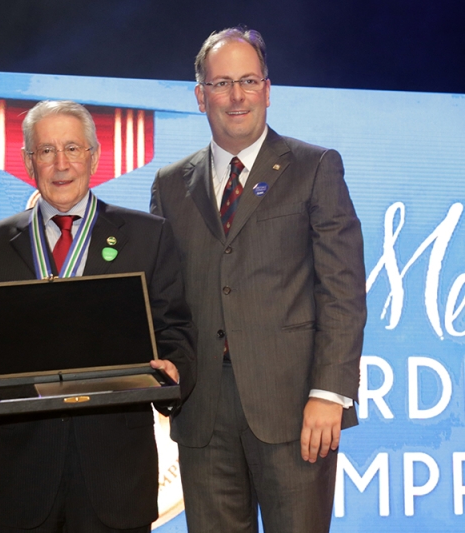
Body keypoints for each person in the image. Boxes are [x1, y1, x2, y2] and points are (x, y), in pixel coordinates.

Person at [0, 100, 196, 533]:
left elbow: (176, 330)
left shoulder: (149, 236)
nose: (61, 164)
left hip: (113, 478)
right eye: (46, 151)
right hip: (19, 477)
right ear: (27, 161)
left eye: (73, 149)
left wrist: (174, 369)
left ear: (93, 156)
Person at [150, 27, 366, 533]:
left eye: (248, 80)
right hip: (202, 411)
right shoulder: (168, 184)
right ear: (200, 95)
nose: (237, 95)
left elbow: (343, 290)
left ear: (268, 90)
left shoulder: (315, 168)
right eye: (221, 83)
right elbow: (163, 299)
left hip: (295, 410)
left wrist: (329, 393)